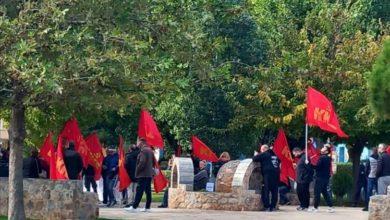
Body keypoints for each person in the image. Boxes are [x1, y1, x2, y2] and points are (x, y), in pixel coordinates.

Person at [125, 139, 155, 212]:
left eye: (138, 142)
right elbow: (153, 162)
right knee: (148, 191)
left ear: (141, 143)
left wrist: (137, 171)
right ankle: (147, 207)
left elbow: (142, 162)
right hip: (148, 174)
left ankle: (134, 207)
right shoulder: (150, 150)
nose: (137, 143)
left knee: (139, 190)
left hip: (143, 174)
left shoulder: (143, 151)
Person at [253, 144, 280, 212]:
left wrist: (256, 154)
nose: (261, 151)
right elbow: (279, 161)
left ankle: (267, 207)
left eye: (261, 150)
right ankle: (273, 207)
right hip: (276, 175)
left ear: (264, 149)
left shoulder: (265, 154)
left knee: (266, 190)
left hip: (268, 175)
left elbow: (255, 159)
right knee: (274, 191)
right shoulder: (275, 154)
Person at [310, 144, 334, 213]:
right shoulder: (327, 158)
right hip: (325, 178)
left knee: (317, 192)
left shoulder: (322, 158)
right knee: (325, 192)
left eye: (324, 147)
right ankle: (330, 207)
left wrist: (309, 164)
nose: (322, 148)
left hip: (320, 177)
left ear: (326, 151)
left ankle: (315, 207)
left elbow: (317, 167)